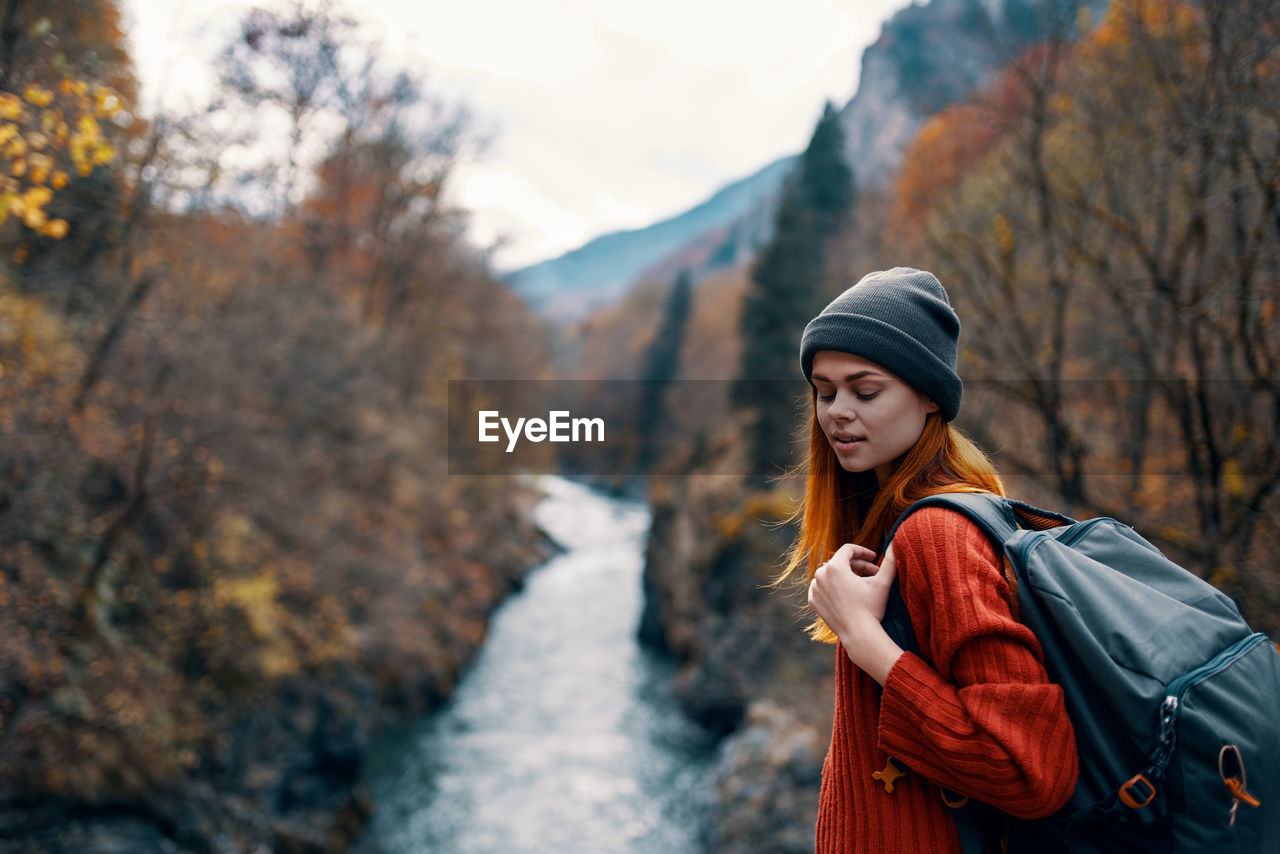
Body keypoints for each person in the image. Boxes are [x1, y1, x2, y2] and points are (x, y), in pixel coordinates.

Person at [783, 267, 1079, 853]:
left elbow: (1031, 769)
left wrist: (864, 640)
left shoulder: (938, 535)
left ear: (928, 397)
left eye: (865, 391)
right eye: (825, 390)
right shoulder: (888, 518)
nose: (838, 411)